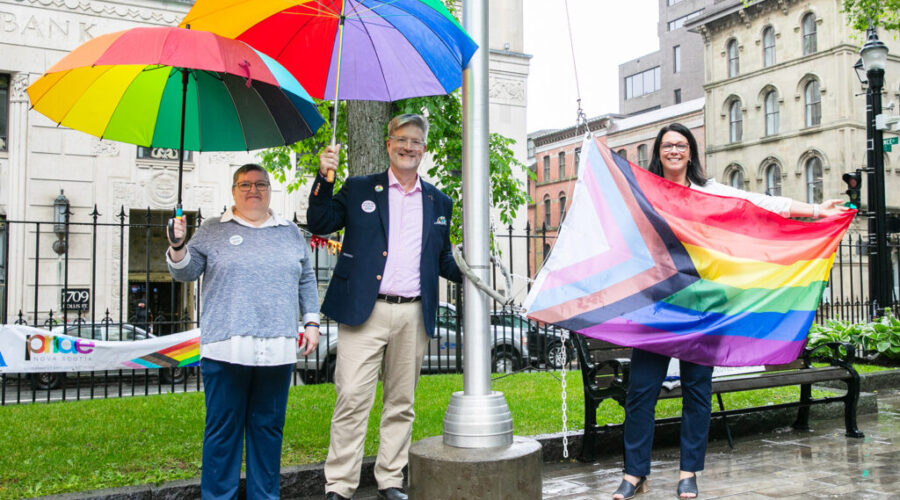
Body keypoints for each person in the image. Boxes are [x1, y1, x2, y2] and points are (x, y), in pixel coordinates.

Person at [612, 123, 850, 500]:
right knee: (641, 391)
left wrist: (815, 210)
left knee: (697, 390)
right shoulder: (644, 191)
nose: (674, 150)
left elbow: (759, 202)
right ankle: (633, 473)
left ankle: (688, 472)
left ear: (690, 152)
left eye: (681, 144)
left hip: (705, 305)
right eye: (667, 145)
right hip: (658, 306)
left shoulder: (710, 193)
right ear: (658, 152)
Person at [308, 114, 462, 500]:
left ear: (424, 149)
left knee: (401, 402)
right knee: (351, 399)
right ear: (388, 143)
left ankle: (391, 480)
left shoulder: (439, 201)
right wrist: (324, 179)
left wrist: (470, 265)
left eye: (416, 141)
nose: (408, 147)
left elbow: (443, 262)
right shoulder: (360, 187)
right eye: (401, 139)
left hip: (414, 314)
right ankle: (339, 485)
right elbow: (320, 222)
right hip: (366, 311)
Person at [166, 164, 320, 500]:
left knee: (267, 431)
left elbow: (306, 277)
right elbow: (186, 272)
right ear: (233, 190)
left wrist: (311, 321)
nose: (254, 190)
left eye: (261, 184)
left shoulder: (290, 232)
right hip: (226, 349)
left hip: (277, 349)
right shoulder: (211, 230)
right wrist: (178, 246)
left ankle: (265, 496)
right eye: (245, 184)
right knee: (223, 431)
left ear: (269, 189)